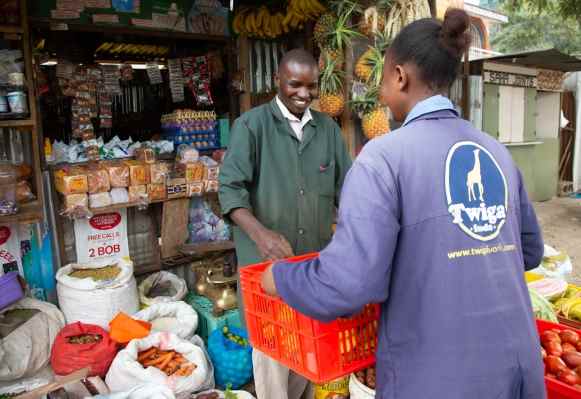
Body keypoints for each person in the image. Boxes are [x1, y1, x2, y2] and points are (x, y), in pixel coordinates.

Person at [261, 9, 545, 399]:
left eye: (382, 80)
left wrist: (279, 278)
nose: (380, 93)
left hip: (438, 377)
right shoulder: (496, 151)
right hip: (519, 368)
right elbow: (529, 251)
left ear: (399, 76)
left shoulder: (383, 158)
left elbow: (348, 285)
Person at [219, 48, 352, 399]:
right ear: (278, 81)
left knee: (309, 357)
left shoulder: (327, 131)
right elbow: (230, 190)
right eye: (295, 85)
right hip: (266, 272)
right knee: (274, 359)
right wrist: (259, 233)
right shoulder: (251, 126)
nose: (304, 94)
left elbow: (348, 191)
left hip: (313, 267)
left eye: (312, 87)